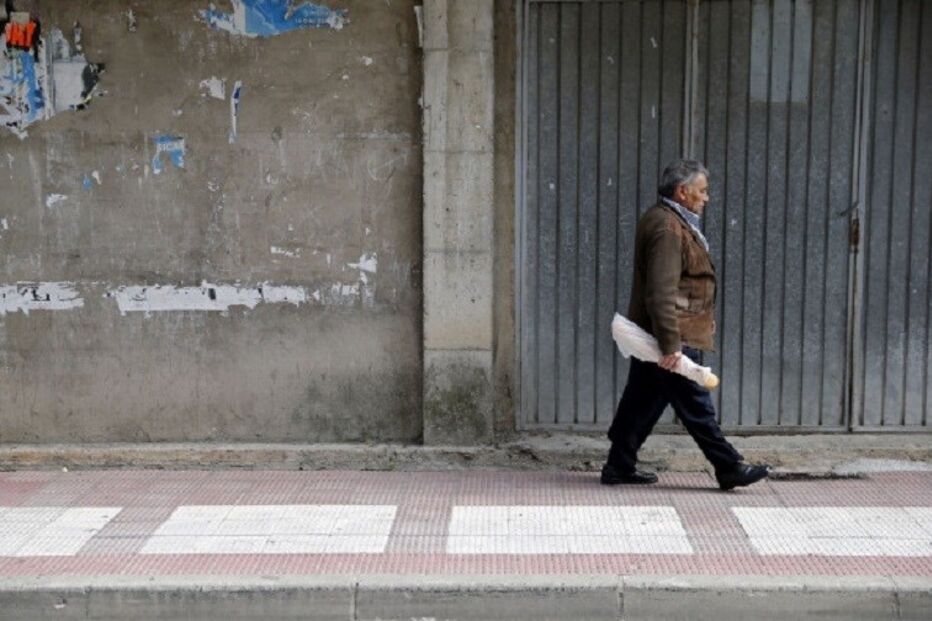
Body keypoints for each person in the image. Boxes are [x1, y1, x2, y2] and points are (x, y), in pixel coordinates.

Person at [602, 159, 769, 491]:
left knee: (642, 400)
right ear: (682, 191)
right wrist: (672, 347)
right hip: (670, 333)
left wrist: (703, 318)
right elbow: (661, 291)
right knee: (695, 402)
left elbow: (687, 283)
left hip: (671, 330)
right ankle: (728, 465)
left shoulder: (672, 221)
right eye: (702, 191)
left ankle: (619, 464)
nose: (706, 198)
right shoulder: (667, 228)